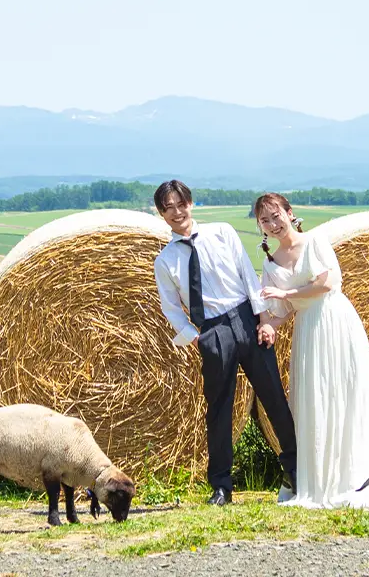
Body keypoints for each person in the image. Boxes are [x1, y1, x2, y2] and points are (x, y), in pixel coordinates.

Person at [150, 179, 298, 505]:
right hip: (213, 331)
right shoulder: (166, 260)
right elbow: (170, 307)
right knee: (218, 410)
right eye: (168, 208)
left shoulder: (222, 232)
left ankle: (295, 469)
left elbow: (247, 273)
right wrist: (196, 337)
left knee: (273, 395)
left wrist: (262, 318)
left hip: (246, 318)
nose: (176, 212)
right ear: (162, 214)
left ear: (190, 204)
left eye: (180, 204)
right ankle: (221, 486)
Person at [254, 192, 369, 509]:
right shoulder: (270, 262)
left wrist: (285, 291)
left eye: (276, 216)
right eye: (264, 220)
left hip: (335, 321)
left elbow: (326, 284)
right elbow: (283, 308)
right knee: (316, 400)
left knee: (346, 395)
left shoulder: (315, 241)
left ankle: (359, 477)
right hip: (308, 330)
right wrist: (269, 326)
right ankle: (320, 480)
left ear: (290, 213)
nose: (272, 224)